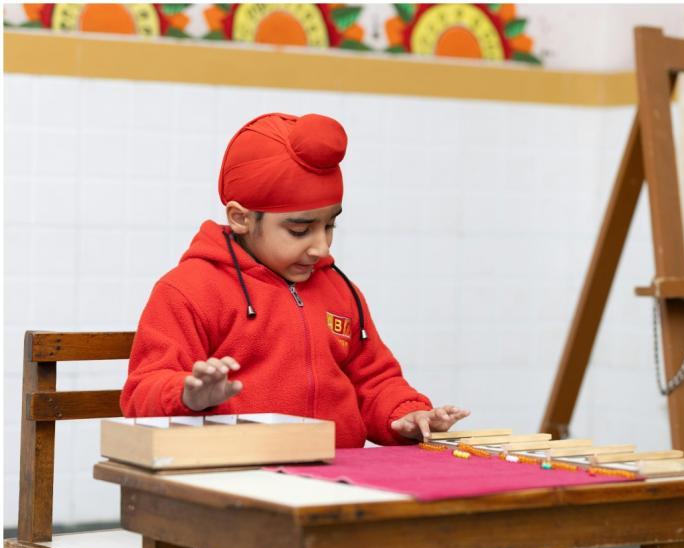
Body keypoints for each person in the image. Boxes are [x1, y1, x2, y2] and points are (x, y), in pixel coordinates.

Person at [120, 112, 469, 446]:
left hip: (339, 478)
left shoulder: (339, 291)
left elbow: (374, 381)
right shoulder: (188, 291)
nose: (320, 247)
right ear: (241, 218)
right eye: (300, 229)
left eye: (329, 226)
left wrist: (406, 414)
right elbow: (140, 392)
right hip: (235, 481)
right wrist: (188, 394)